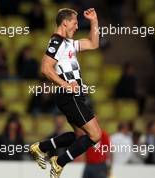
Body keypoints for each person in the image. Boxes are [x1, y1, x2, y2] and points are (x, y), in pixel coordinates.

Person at [29, 8, 102, 178]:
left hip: (73, 96)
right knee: (96, 135)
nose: (77, 26)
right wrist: (65, 85)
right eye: (75, 23)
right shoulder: (57, 42)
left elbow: (94, 43)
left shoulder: (68, 43)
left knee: (80, 136)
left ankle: (41, 147)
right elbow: (45, 68)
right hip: (68, 95)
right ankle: (59, 162)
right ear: (65, 22)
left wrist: (94, 21)